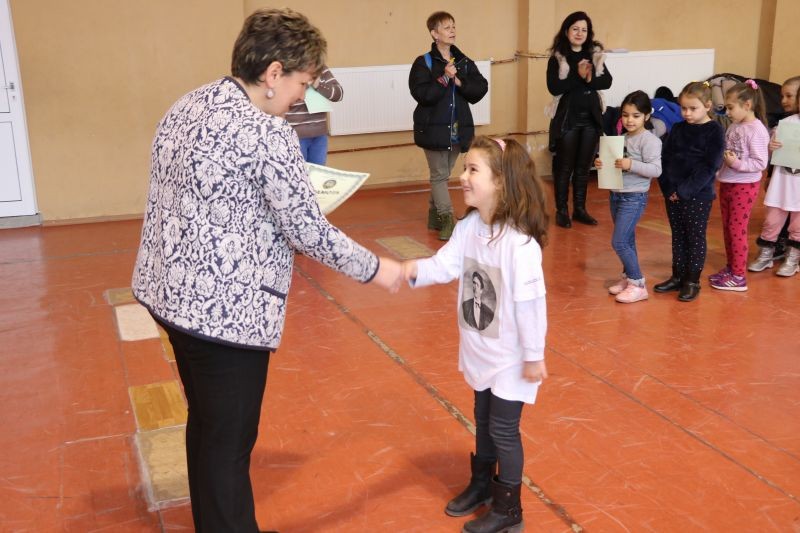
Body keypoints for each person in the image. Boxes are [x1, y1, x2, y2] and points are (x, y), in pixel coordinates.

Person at [131, 9, 402, 532]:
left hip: (169, 296)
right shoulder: (267, 133)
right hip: (224, 315)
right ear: (274, 72)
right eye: (303, 82)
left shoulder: (190, 103)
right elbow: (308, 232)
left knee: (208, 427)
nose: (303, 96)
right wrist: (377, 269)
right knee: (229, 444)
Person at [403, 136, 549, 533]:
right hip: (480, 347)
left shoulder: (519, 244)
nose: (462, 177)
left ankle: (509, 510)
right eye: (463, 168)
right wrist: (407, 271)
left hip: (511, 358)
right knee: (482, 421)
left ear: (500, 181)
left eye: (472, 170)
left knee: (503, 430)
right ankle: (483, 485)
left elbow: (532, 304)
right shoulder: (469, 226)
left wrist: (534, 355)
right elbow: (443, 265)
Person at [409, 10, 488, 240]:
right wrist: (444, 78)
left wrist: (459, 81)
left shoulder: (463, 61)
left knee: (442, 174)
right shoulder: (423, 62)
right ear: (434, 34)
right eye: (446, 27)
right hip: (432, 128)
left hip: (457, 129)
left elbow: (480, 88)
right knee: (440, 174)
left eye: (453, 26)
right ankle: (446, 219)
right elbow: (422, 94)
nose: (452, 31)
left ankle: (433, 214)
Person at [654, 81, 725, 302]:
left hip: (697, 195)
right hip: (672, 193)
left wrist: (684, 191)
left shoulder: (714, 131)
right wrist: (668, 188)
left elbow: (710, 166)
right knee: (678, 235)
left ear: (708, 105)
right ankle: (678, 276)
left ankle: (692, 281)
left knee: (694, 237)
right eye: (683, 108)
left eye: (693, 108)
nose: (687, 113)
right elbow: (665, 158)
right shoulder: (678, 128)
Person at [546, 11, 613, 228]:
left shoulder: (594, 55)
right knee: (565, 167)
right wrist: (578, 75)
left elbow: (606, 82)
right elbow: (554, 87)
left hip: (591, 119)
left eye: (584, 30)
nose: (579, 33)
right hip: (568, 119)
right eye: (575, 29)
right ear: (567, 31)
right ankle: (562, 210)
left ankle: (580, 209)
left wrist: (588, 77)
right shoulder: (558, 57)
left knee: (584, 167)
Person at [595, 91, 662, 304]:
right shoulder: (621, 139)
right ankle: (627, 278)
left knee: (620, 241)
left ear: (647, 116)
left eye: (636, 115)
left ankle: (638, 284)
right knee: (628, 240)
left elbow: (656, 170)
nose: (629, 120)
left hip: (634, 197)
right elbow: (614, 165)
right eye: (625, 115)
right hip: (616, 195)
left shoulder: (650, 140)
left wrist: (630, 164)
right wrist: (601, 164)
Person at [708, 81, 770, 291]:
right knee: (728, 228)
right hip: (728, 182)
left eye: (731, 107)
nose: (727, 112)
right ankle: (731, 267)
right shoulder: (735, 126)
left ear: (747, 105)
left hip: (744, 186)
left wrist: (736, 163)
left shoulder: (757, 130)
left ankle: (738, 276)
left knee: (737, 229)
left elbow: (760, 163)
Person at [748, 82, 800, 277]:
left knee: (797, 226)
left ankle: (792, 259)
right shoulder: (785, 124)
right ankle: (766, 255)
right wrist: (771, 147)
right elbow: (768, 155)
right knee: (772, 221)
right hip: (782, 183)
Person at [285, 64, 342, 165]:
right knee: (298, 172)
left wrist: (318, 84)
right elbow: (280, 97)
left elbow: (339, 94)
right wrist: (304, 83)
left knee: (318, 173)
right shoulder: (286, 66)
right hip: (294, 134)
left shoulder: (320, 67)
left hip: (319, 134)